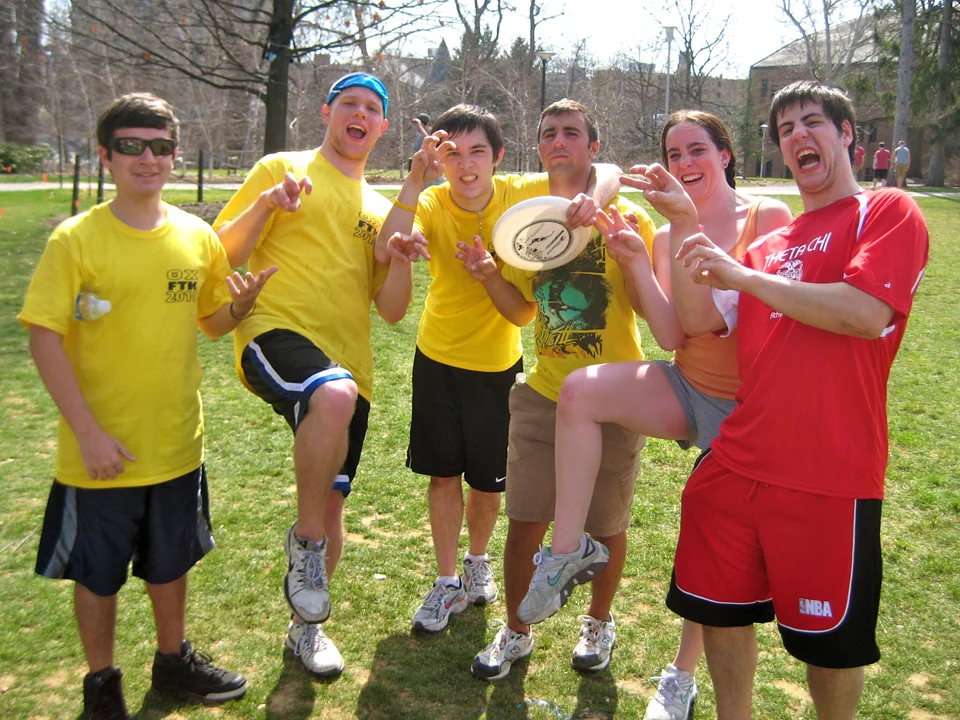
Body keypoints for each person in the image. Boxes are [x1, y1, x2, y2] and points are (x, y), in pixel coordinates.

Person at [642, 81, 928, 719]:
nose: (799, 135)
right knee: (717, 613)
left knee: (828, 647)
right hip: (735, 465)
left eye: (814, 122)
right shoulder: (769, 247)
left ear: (847, 134)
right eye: (786, 129)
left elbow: (865, 312)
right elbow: (700, 327)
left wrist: (743, 276)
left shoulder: (883, 212)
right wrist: (681, 228)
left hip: (827, 473)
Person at [514, 110, 792, 717]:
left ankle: (682, 673)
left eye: (698, 150)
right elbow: (672, 336)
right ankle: (565, 553)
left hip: (747, 407)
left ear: (726, 154)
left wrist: (689, 228)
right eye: (674, 153)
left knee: (710, 544)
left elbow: (717, 320)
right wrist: (639, 259)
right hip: (687, 385)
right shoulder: (666, 233)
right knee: (580, 392)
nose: (686, 163)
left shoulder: (766, 217)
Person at [20, 93, 268, 720]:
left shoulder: (197, 236)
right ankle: (102, 684)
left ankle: (172, 661)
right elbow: (43, 337)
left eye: (160, 147)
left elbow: (209, 322)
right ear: (105, 155)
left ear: (175, 155)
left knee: (170, 562)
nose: (147, 158)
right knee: (97, 575)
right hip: (98, 453)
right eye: (130, 146)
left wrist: (238, 309)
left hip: (177, 443)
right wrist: (88, 433)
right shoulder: (76, 240)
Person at [376, 104, 612, 636]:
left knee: (487, 481)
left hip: (499, 364)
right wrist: (415, 180)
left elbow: (608, 174)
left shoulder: (520, 193)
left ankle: (477, 563)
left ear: (498, 156)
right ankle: (444, 579)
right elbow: (382, 244)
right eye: (451, 154)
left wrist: (586, 203)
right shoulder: (432, 200)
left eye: (477, 152)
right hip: (436, 357)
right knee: (443, 475)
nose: (465, 165)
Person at [214, 73, 419, 678]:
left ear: (382, 128)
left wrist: (402, 258)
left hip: (350, 366)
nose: (359, 114)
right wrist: (266, 205)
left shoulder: (382, 210)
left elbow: (391, 309)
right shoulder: (283, 168)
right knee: (330, 393)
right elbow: (222, 251)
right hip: (275, 333)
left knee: (333, 499)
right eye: (349, 104)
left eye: (372, 109)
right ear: (327, 112)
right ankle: (303, 548)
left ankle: (306, 631)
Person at [457, 99, 657, 680]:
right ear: (539, 147)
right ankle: (516, 631)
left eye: (572, 133)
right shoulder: (529, 222)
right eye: (549, 134)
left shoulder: (625, 219)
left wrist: (631, 254)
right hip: (545, 394)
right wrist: (491, 274)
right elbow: (522, 313)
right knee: (525, 520)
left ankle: (599, 623)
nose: (559, 141)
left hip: (614, 396)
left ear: (593, 147)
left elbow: (647, 307)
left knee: (605, 524)